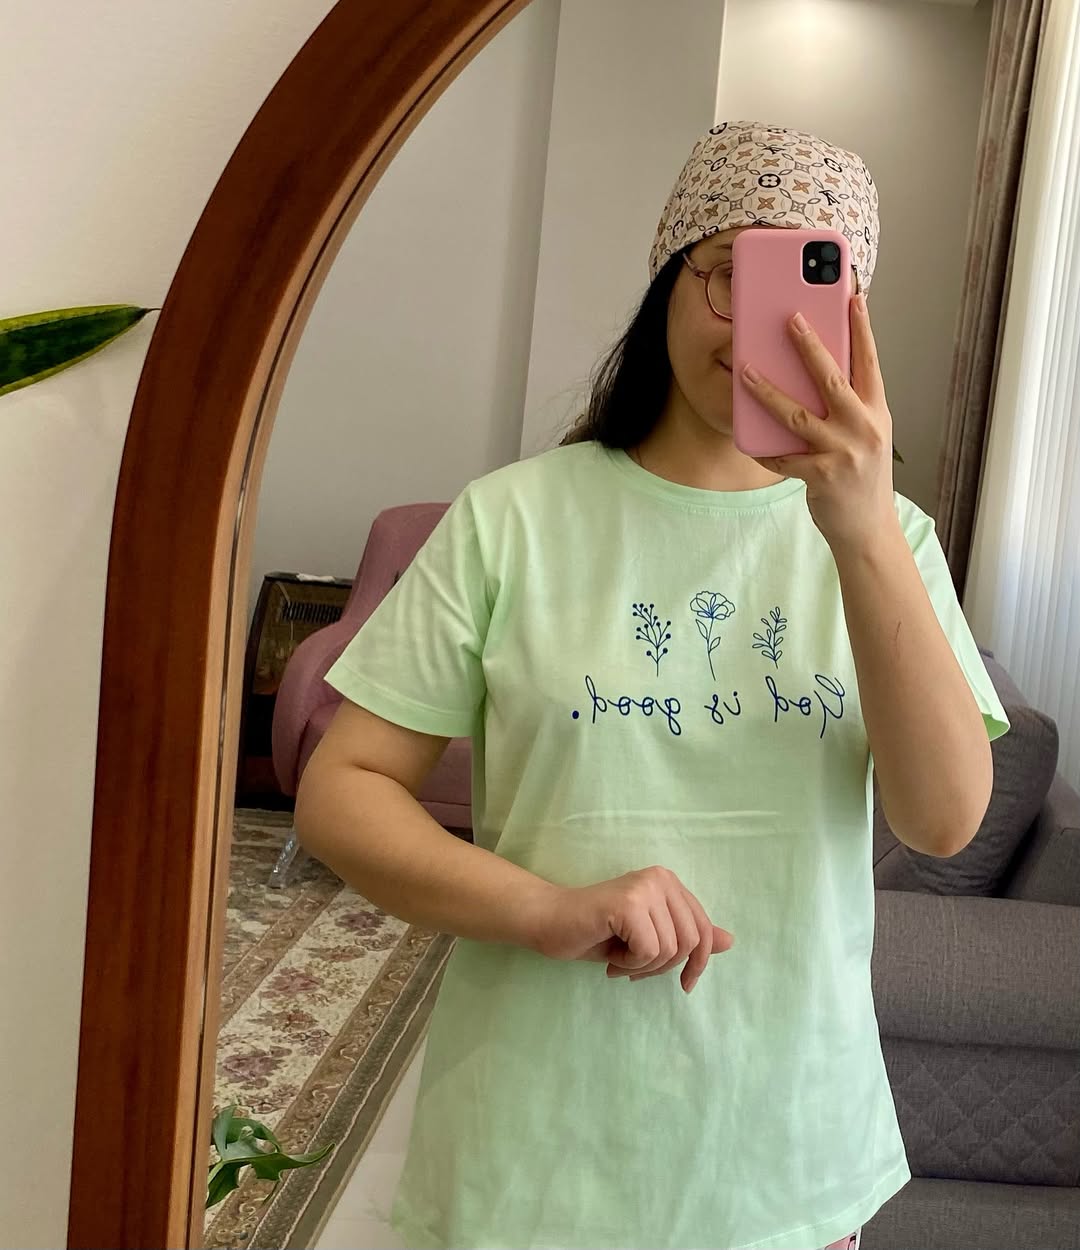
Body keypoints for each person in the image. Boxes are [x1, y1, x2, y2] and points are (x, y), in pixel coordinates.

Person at [294, 121, 1010, 1250]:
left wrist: (861, 528)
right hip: (531, 1146)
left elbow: (943, 819)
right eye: (731, 274)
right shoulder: (511, 520)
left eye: (811, 290)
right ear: (670, 275)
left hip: (786, 1150)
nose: (767, 324)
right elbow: (344, 791)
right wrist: (544, 907)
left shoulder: (895, 542)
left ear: (852, 322)